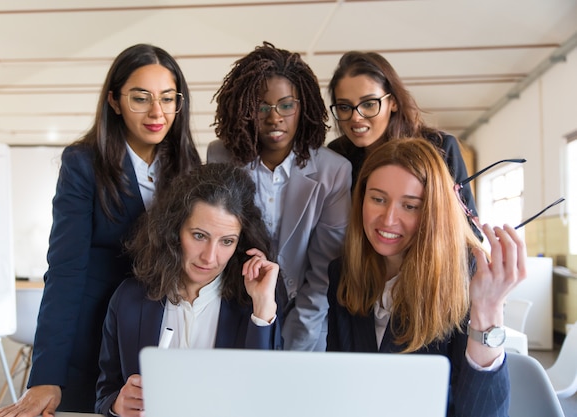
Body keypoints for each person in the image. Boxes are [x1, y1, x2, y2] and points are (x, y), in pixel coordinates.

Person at [0, 44, 201, 417]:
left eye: (168, 98)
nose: (157, 112)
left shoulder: (187, 165)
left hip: (162, 340)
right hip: (92, 338)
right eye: (141, 98)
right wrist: (46, 375)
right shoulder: (83, 163)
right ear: (115, 102)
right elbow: (65, 271)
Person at [327, 138, 527, 417]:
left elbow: (483, 413)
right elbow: (340, 383)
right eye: (378, 199)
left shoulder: (468, 276)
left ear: (433, 212)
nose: (387, 219)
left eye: (410, 206)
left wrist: (488, 311)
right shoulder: (344, 271)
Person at [95, 163, 282, 417]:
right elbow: (105, 393)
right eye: (199, 236)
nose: (210, 257)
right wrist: (117, 405)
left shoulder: (251, 308)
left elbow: (267, 402)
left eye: (226, 241)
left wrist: (262, 308)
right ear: (175, 230)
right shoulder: (128, 299)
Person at [208, 42, 352, 351]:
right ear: (245, 110)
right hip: (235, 303)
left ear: (303, 106)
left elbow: (324, 271)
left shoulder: (334, 171)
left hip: (306, 310)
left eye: (286, 105)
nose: (274, 118)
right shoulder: (219, 156)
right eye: (261, 107)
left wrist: (297, 342)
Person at [327, 51, 480, 238]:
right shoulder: (337, 157)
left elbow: (470, 234)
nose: (356, 117)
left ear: (393, 102)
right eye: (344, 107)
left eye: (368, 104)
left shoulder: (439, 148)